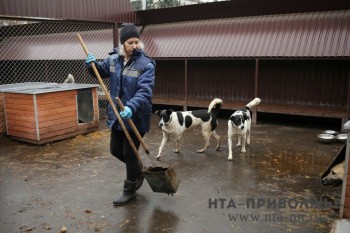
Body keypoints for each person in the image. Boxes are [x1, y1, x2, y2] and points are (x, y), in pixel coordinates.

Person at [85, 23, 156, 206]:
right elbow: (99, 71)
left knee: (129, 152)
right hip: (117, 114)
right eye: (130, 42)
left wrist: (131, 106)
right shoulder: (114, 59)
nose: (134, 45)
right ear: (123, 43)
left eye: (136, 42)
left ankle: (129, 189)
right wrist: (91, 65)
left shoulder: (146, 64)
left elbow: (145, 92)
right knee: (115, 150)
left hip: (136, 115)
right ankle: (138, 171)